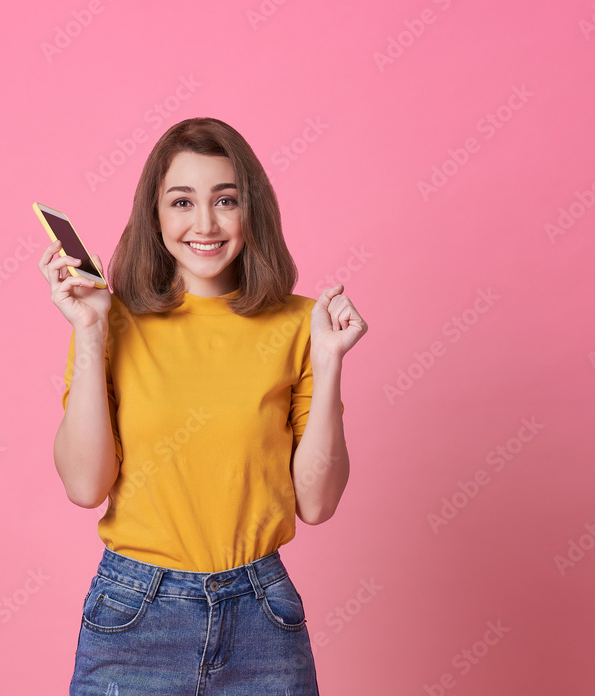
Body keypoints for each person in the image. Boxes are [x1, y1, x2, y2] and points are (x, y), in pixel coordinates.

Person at [40, 116, 366, 695]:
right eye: (182, 201)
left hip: (263, 617)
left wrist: (332, 360)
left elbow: (316, 503)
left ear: (251, 210)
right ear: (156, 215)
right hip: (134, 615)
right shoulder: (109, 320)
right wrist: (90, 332)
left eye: (226, 200)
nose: (205, 223)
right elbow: (85, 487)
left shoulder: (300, 324)